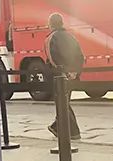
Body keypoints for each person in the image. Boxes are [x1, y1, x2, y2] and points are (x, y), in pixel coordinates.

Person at [45, 13, 84, 141]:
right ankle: (57, 127)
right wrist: (75, 72)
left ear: (50, 24)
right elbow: (80, 56)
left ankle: (72, 132)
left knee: (62, 104)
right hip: (72, 75)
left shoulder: (51, 38)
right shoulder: (71, 37)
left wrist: (64, 72)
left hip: (59, 76)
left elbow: (53, 58)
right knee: (65, 103)